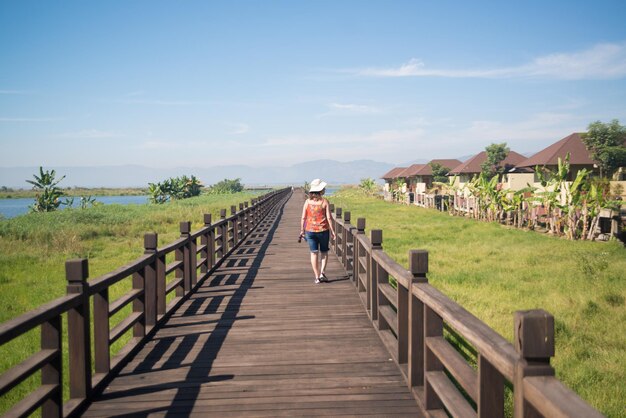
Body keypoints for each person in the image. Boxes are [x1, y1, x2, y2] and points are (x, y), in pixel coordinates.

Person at [301, 179, 336, 284]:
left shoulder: (307, 202)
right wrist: (333, 231)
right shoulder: (324, 202)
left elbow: (303, 218)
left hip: (310, 231)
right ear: (321, 190)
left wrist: (301, 230)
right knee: (324, 252)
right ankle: (322, 273)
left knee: (313, 253)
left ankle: (316, 277)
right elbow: (329, 218)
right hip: (323, 230)